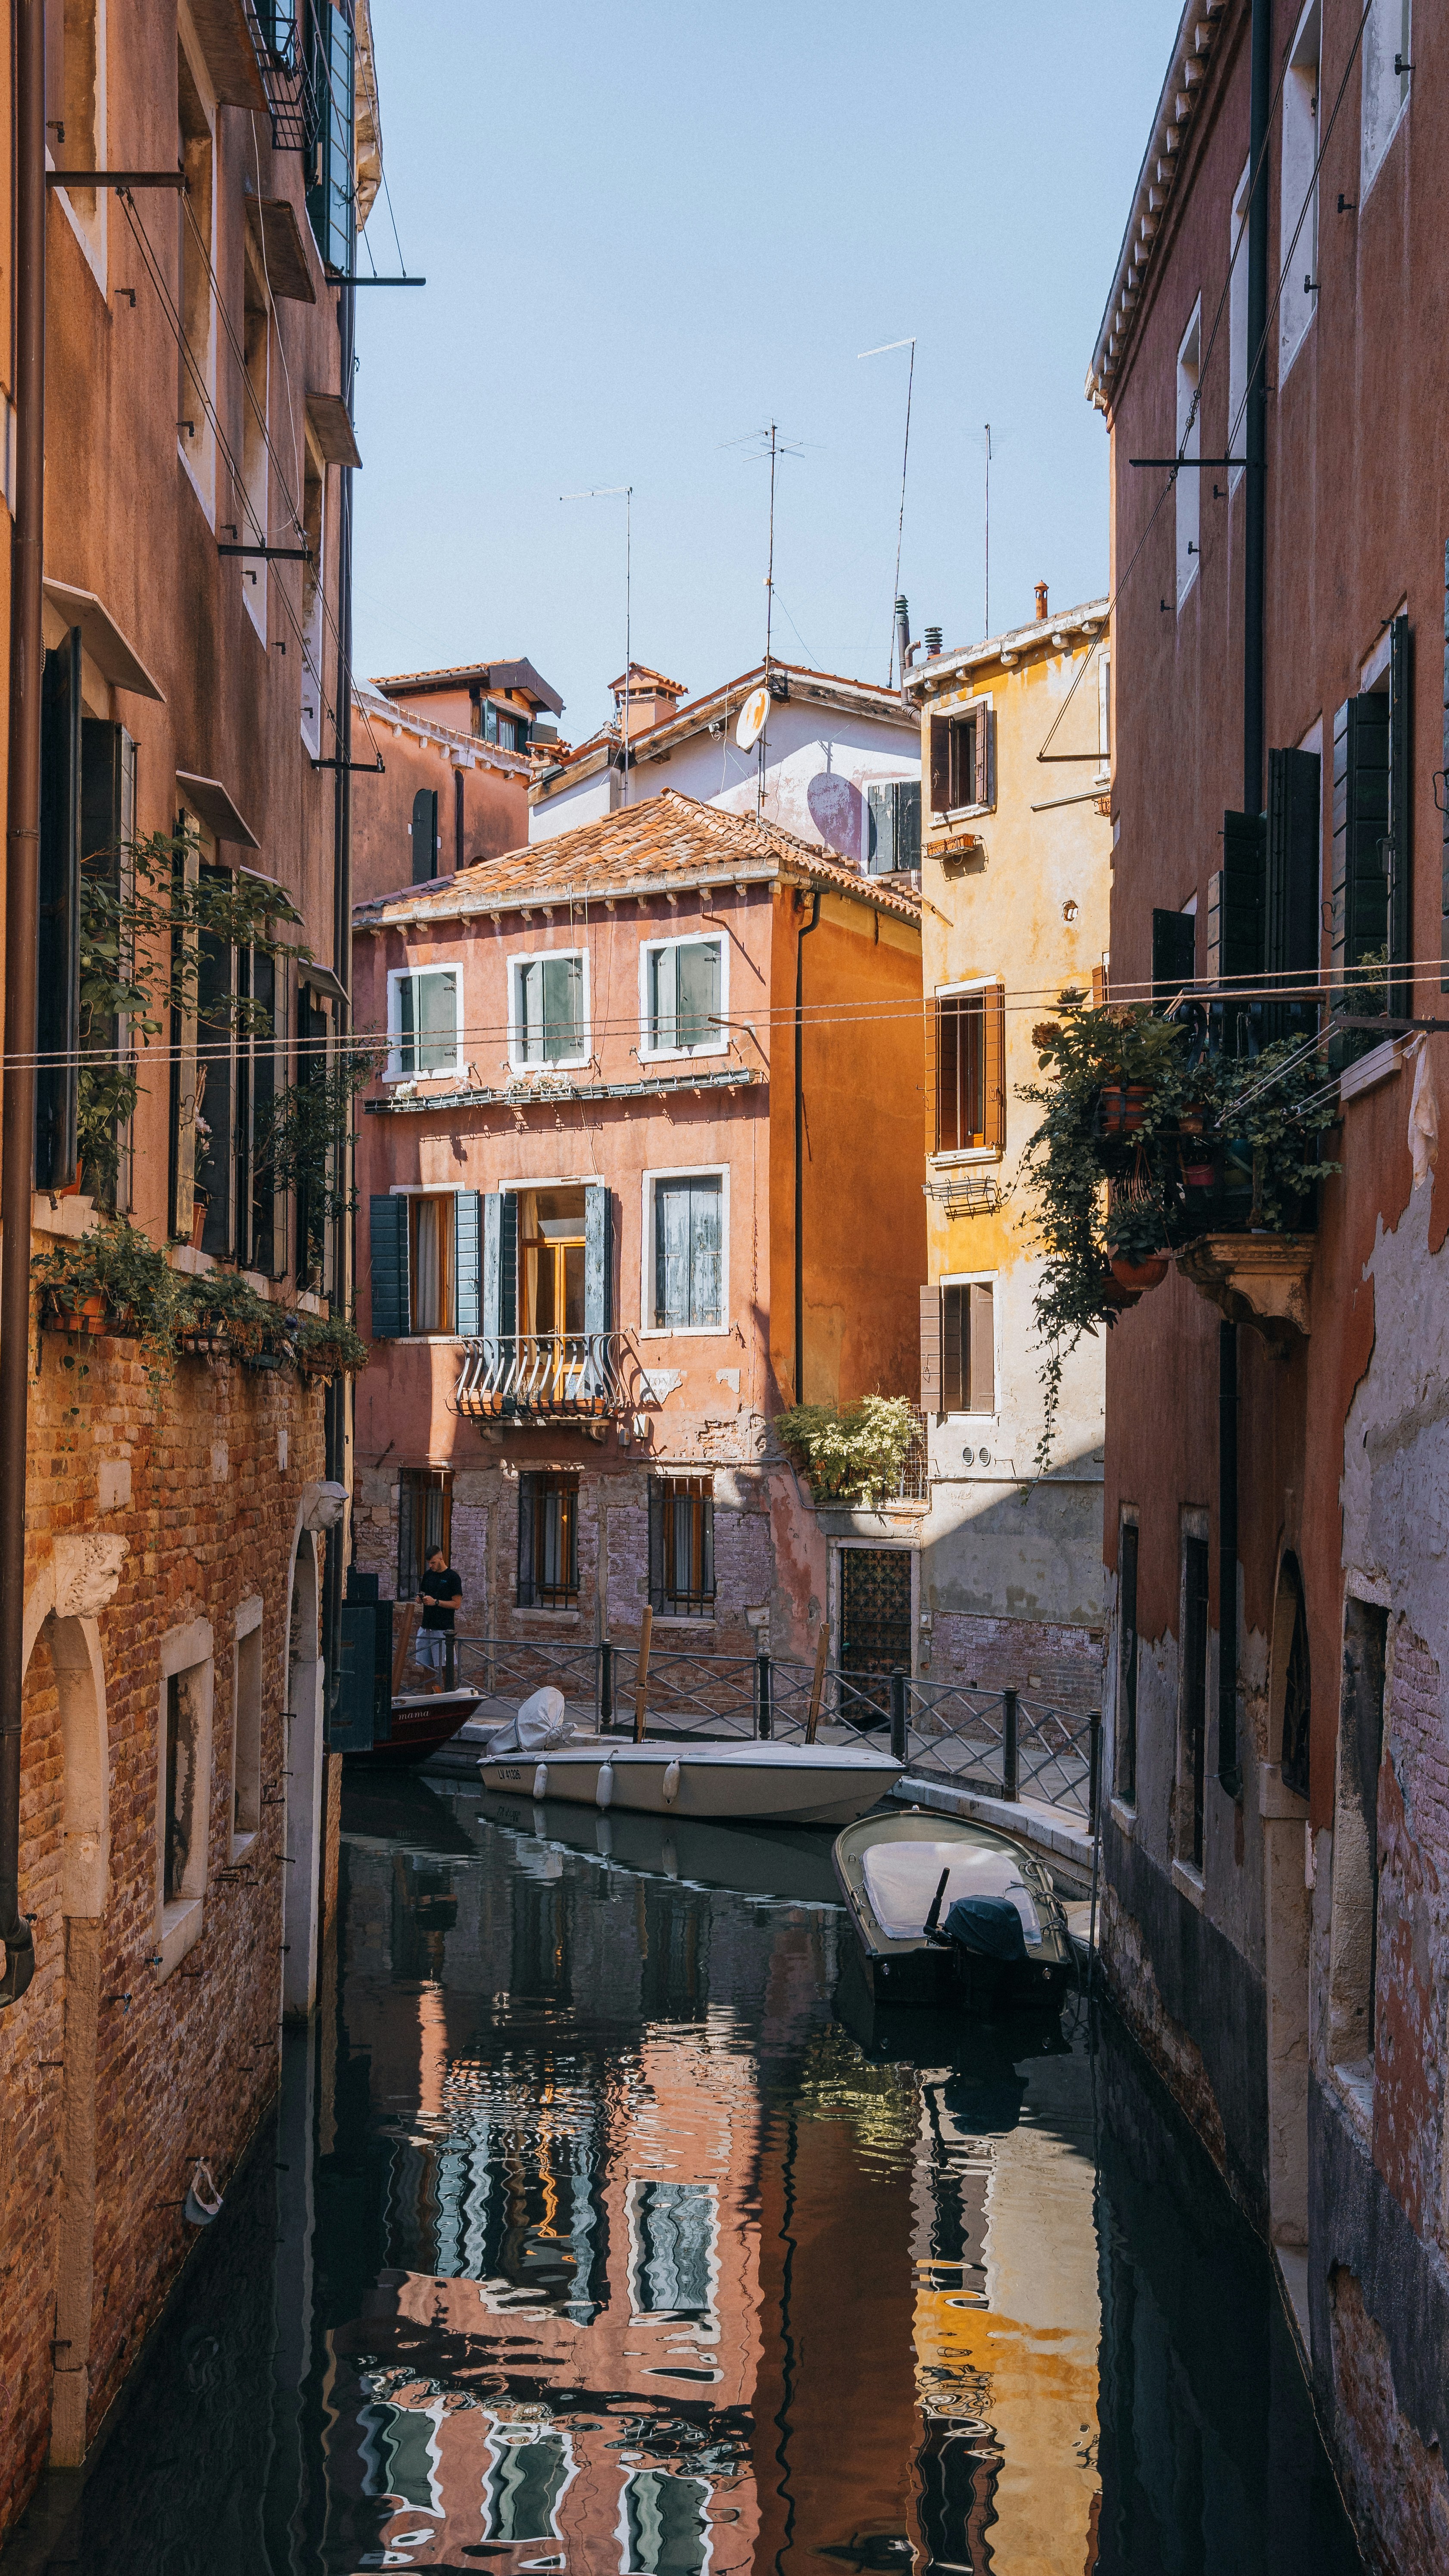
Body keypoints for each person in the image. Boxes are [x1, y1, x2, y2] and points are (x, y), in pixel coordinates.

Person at [414, 1547, 462, 1693]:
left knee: (444, 1667)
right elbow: (423, 1593)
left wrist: (436, 1602)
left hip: (443, 1629)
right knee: (426, 1666)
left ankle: (448, 1695)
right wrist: (420, 1599)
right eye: (429, 1563)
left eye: (433, 1563)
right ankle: (429, 1697)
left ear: (441, 1559)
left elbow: (457, 1604)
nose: (431, 1566)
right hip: (426, 1627)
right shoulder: (428, 1575)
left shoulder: (453, 1577)